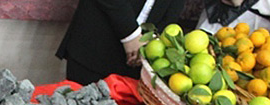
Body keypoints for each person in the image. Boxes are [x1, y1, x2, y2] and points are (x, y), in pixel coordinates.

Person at [57, 0, 187, 84]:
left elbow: (173, 11)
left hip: (137, 65)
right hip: (95, 46)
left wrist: (151, 41)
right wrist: (131, 35)